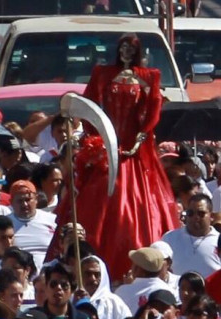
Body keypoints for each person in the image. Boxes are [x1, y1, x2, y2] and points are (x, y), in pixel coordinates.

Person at [58, 33, 177, 281]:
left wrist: (141, 139)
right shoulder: (103, 73)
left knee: (139, 205)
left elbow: (154, 112)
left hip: (134, 153)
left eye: (130, 48)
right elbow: (89, 107)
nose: (126, 51)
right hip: (107, 151)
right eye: (122, 47)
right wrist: (96, 139)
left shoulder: (149, 76)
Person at [161, 193, 220, 278]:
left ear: (212, 216)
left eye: (201, 213)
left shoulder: (220, 240)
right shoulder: (170, 238)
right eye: (190, 213)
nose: (195, 217)